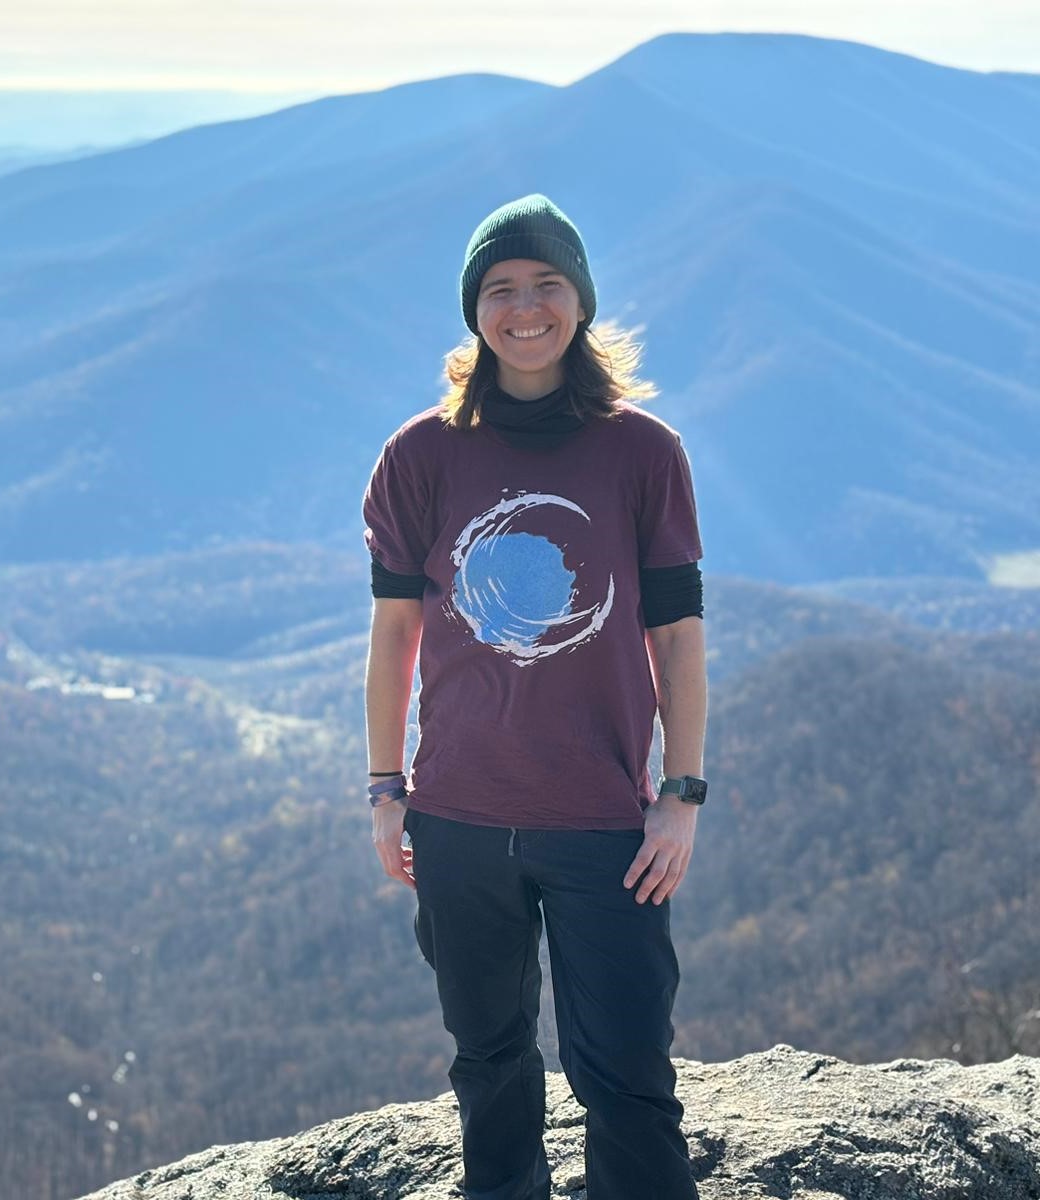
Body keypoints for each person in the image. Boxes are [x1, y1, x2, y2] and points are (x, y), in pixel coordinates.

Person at [362, 193, 707, 1200]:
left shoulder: (643, 453)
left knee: (627, 1076)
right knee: (488, 1066)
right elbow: (393, 637)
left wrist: (680, 793)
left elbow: (677, 639)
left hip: (605, 824)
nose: (524, 308)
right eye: (500, 289)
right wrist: (385, 786)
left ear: (581, 301)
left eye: (546, 284)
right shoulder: (419, 456)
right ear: (475, 309)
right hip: (457, 819)